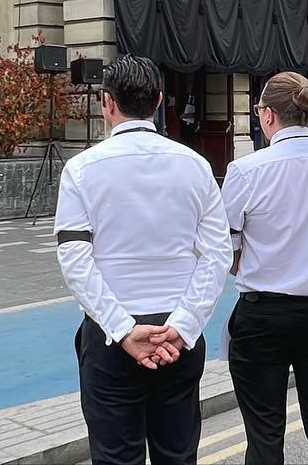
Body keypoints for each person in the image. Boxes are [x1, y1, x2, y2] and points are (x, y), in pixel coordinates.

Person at [55, 55, 232, 465]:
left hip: (112, 338)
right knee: (177, 455)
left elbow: (75, 260)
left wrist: (122, 330)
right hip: (177, 337)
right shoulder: (197, 166)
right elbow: (218, 253)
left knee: (117, 458)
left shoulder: (81, 170)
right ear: (157, 100)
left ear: (106, 102)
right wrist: (184, 326)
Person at [220, 71, 308, 465]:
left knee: (264, 433)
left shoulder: (246, 170)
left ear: (267, 116)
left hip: (263, 312)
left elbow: (226, 249)